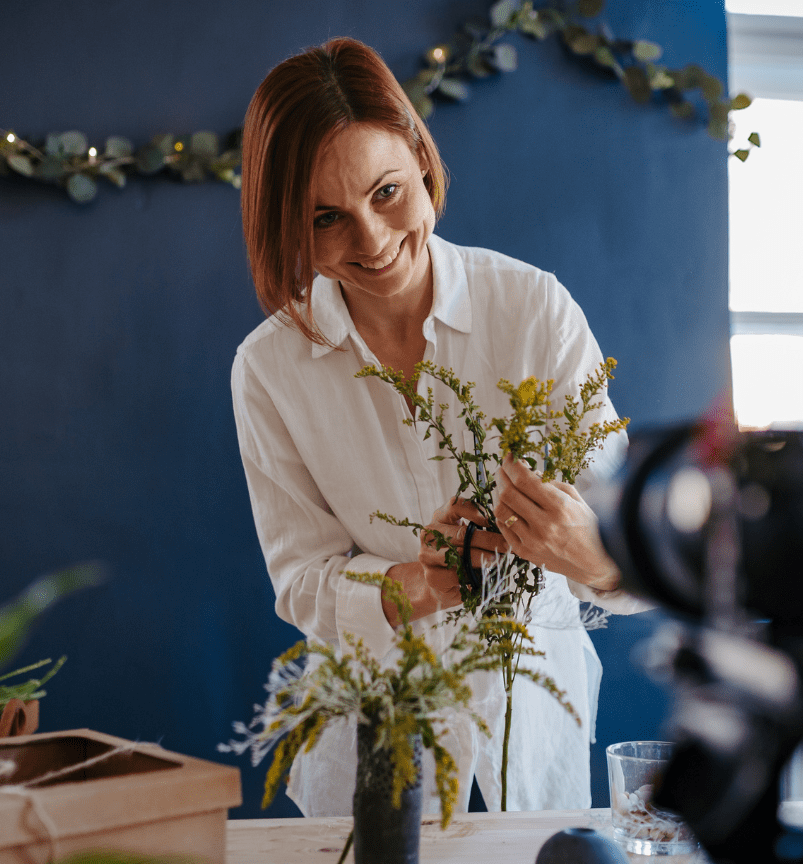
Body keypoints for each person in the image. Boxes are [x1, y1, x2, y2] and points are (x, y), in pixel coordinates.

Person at [231, 36, 647, 816]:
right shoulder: (267, 369)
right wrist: (419, 584)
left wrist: (584, 550)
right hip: (371, 729)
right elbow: (300, 583)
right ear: (288, 224)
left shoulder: (532, 310)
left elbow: (638, 558)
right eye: (327, 217)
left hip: (534, 721)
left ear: (422, 159)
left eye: (386, 192)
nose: (373, 240)